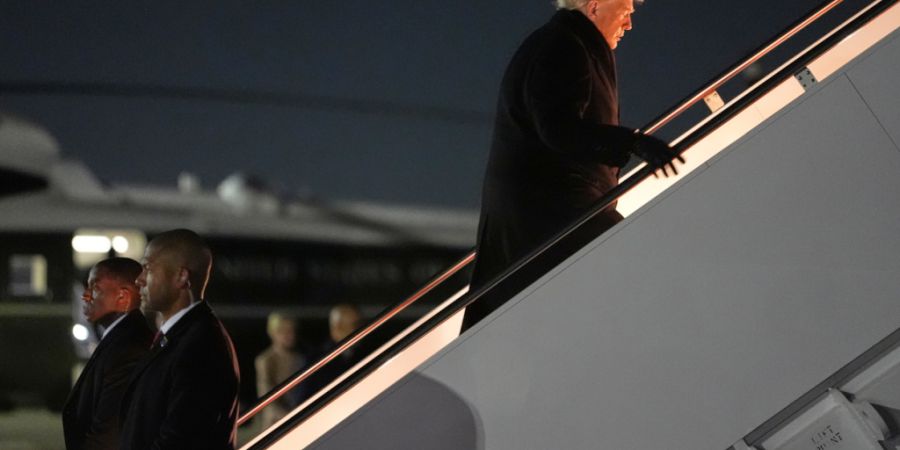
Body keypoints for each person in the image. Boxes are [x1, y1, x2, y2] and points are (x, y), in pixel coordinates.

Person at [461, 0, 684, 331]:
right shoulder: (563, 46)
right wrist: (634, 142)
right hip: (550, 220)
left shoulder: (564, 43)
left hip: (541, 220)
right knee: (645, 276)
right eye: (625, 12)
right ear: (595, 6)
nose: (629, 25)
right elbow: (559, 129)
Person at [120, 229, 240, 450]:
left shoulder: (201, 347)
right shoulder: (185, 336)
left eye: (147, 268)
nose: (139, 280)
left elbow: (179, 440)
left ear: (182, 277)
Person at [62, 257, 153, 450]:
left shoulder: (128, 349)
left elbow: (109, 433)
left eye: (95, 288)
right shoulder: (119, 339)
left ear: (123, 297)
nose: (85, 296)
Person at [255, 311, 306, 428]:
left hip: (299, 417)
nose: (290, 335)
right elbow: (267, 399)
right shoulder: (266, 360)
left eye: (292, 330)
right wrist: (289, 418)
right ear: (273, 333)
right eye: (284, 331)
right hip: (276, 424)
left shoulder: (301, 358)